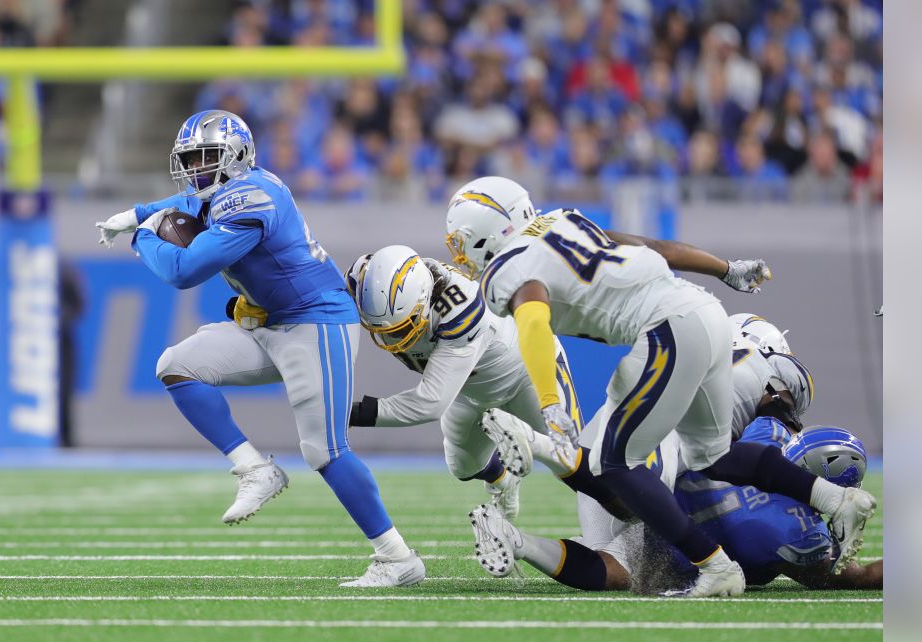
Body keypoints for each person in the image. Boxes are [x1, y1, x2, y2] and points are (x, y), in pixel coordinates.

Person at [444, 175, 877, 596]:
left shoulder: (507, 266)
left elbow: (534, 322)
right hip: (706, 314)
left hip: (665, 330)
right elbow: (654, 247)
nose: (460, 253)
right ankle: (835, 499)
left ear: (483, 232)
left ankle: (716, 567)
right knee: (714, 456)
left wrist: (550, 401)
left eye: (461, 241)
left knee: (615, 465)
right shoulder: (564, 221)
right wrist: (725, 269)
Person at [94, 110, 422, 587]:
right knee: (177, 365)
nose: (196, 170)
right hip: (268, 324)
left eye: (206, 158)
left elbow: (183, 271)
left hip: (318, 324)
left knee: (325, 450)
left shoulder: (251, 197)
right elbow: (184, 198)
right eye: (190, 160)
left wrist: (142, 237)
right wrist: (137, 213)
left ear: (237, 157)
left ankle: (397, 558)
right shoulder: (224, 189)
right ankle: (253, 468)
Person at [469, 422, 882, 592]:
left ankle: (543, 451)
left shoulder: (765, 434)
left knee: (621, 518)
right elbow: (845, 576)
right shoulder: (797, 531)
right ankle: (521, 540)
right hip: (662, 526)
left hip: (632, 465)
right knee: (617, 568)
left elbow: (748, 446)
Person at [344, 245, 584, 520]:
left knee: (573, 461)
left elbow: (429, 403)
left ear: (424, 300)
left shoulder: (460, 309)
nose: (392, 339)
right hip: (469, 389)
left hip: (525, 374)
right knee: (463, 466)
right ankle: (503, 480)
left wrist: (352, 413)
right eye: (381, 329)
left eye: (400, 328)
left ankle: (626, 527)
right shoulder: (363, 281)